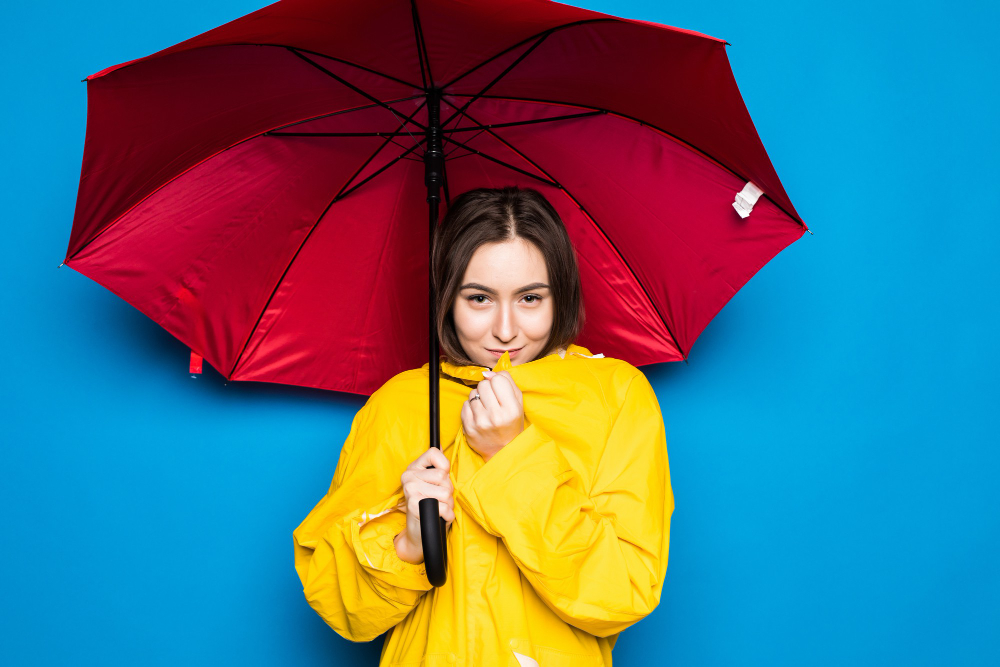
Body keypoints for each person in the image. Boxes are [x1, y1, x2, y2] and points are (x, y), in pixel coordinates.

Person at [293, 186, 674, 666]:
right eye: (479, 299)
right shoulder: (399, 403)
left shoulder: (615, 395)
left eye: (531, 298)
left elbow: (624, 591)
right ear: (447, 298)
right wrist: (407, 542)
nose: (506, 329)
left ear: (561, 294)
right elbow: (339, 607)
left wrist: (512, 454)